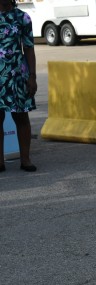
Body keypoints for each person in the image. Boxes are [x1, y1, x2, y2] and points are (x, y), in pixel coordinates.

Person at [0, 0, 37, 172]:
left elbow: (28, 48)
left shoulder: (23, 17)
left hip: (17, 75)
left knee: (21, 117)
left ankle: (25, 159)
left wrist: (32, 76)